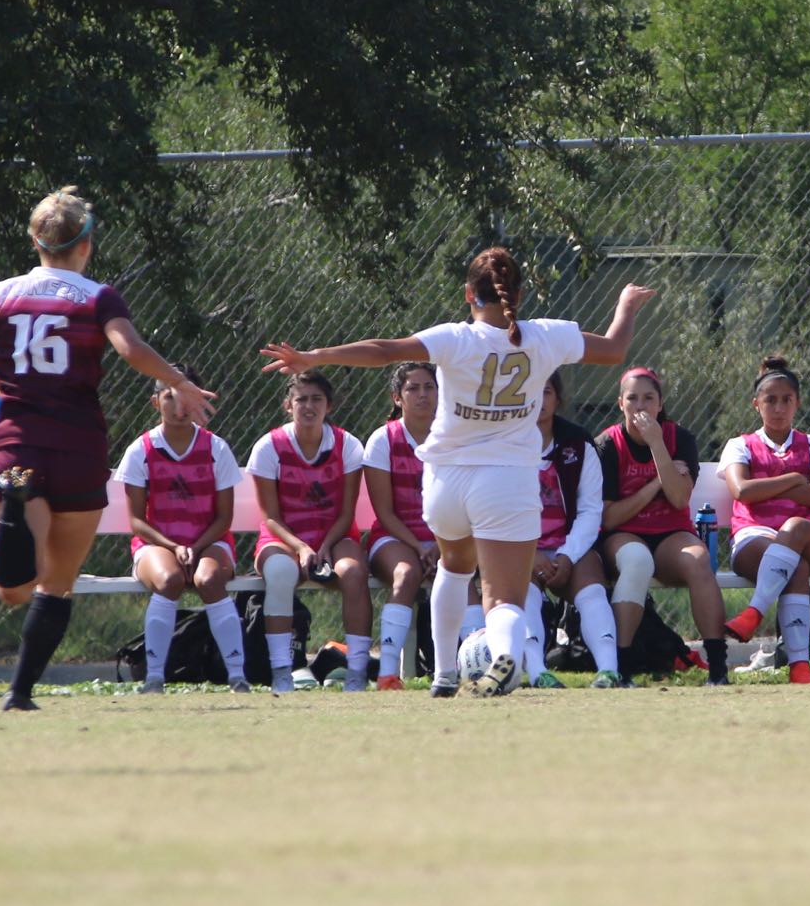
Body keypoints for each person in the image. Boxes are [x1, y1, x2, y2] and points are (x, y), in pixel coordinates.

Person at [260, 252, 653, 696]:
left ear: (469, 295)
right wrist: (626, 305)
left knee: (453, 567)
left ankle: (445, 675)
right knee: (503, 596)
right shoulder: (547, 335)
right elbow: (615, 348)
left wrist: (316, 355)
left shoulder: (456, 339)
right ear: (518, 295)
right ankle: (505, 656)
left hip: (447, 481)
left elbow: (386, 350)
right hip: (509, 481)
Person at [0, 187, 211, 711]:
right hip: (77, 445)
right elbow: (130, 350)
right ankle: (20, 694)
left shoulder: (0, 295)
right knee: (58, 584)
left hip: (16, 442)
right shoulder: (98, 297)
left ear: (35, 240)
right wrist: (179, 381)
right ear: (86, 246)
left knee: (12, 590)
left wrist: (17, 389)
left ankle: (14, 512)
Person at [115, 366, 249, 693]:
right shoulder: (140, 450)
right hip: (156, 544)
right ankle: (154, 678)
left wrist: (197, 545)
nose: (179, 407)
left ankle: (237, 676)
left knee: (209, 579)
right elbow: (137, 523)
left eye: (187, 397)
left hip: (211, 541)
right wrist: (174, 547)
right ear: (155, 401)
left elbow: (223, 519)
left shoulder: (216, 448)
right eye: (169, 396)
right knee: (169, 579)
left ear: (199, 401)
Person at [598, 367, 731, 683]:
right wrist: (658, 480)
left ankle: (718, 668)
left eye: (648, 399)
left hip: (671, 534)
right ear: (620, 403)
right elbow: (609, 518)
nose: (640, 406)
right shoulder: (606, 444)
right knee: (637, 560)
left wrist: (657, 444)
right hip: (625, 534)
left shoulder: (679, 438)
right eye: (633, 399)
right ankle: (623, 667)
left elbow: (678, 499)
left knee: (699, 560)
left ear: (660, 404)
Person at [246, 371, 370, 694]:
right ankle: (282, 672)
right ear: (288, 405)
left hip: (336, 535)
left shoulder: (348, 446)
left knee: (354, 572)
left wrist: (326, 545)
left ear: (329, 405)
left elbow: (346, 513)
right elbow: (270, 518)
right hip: (283, 538)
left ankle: (357, 672)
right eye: (301, 399)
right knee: (280, 572)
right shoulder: (268, 447)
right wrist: (301, 548)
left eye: (317, 399)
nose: (309, 405)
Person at [717, 356, 810, 685]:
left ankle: (753, 612)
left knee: (795, 528)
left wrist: (768, 487)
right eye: (770, 400)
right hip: (754, 538)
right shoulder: (739, 445)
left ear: (797, 402)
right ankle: (800, 666)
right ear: (756, 404)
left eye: (786, 400)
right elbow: (742, 491)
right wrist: (792, 479)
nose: (779, 407)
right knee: (793, 566)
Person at [529, 369, 624, 688]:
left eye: (545, 392)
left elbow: (590, 510)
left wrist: (567, 556)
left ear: (557, 398)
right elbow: (493, 510)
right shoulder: (503, 443)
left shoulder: (578, 443)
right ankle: (535, 672)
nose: (537, 400)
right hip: (519, 548)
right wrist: (528, 553)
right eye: (529, 392)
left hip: (569, 547)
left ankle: (609, 671)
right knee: (522, 589)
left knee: (592, 588)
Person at [362, 361, 440, 690]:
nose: (422, 395)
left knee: (460, 577)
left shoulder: (455, 436)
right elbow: (385, 513)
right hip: (395, 536)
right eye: (412, 388)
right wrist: (421, 548)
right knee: (406, 574)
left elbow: (465, 502)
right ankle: (388, 674)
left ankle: (466, 672)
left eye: (429, 387)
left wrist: (442, 546)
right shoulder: (382, 440)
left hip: (445, 538)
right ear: (398, 398)